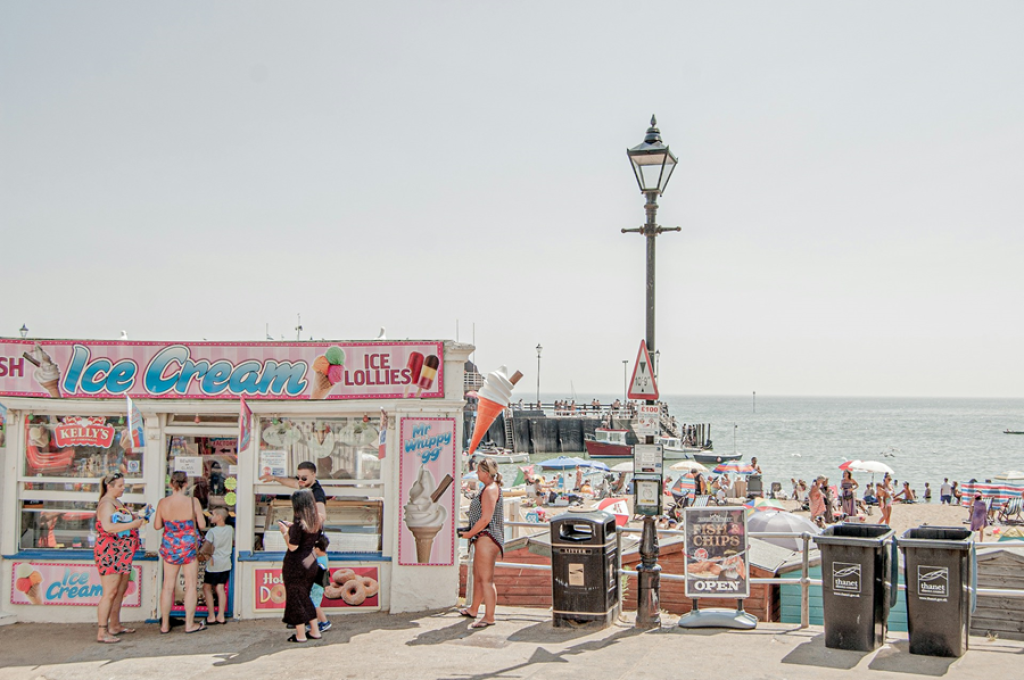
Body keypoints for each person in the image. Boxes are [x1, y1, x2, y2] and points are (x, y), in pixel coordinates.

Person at [94, 472, 147, 643]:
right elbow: (108, 527)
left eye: (124, 485)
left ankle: (115, 625)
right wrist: (133, 524)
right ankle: (102, 631)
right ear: (109, 486)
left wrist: (139, 517)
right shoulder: (106, 504)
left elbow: (122, 521)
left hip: (122, 552)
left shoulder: (116, 502)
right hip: (110, 552)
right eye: (120, 485)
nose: (123, 488)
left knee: (120, 590)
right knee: (109, 592)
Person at [155, 471, 207, 634]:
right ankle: (189, 624)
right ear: (186, 484)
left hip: (170, 545)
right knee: (191, 585)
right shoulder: (193, 502)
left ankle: (164, 624)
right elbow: (202, 525)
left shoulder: (163, 502)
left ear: (171, 484)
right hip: (189, 546)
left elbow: (157, 526)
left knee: (167, 586)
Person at [458, 457, 504, 629]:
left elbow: (486, 518)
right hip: (483, 537)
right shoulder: (489, 488)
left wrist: (469, 533)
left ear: (485, 473)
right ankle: (474, 609)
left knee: (486, 579)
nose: (476, 473)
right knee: (479, 577)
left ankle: (489, 616)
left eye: (478, 471)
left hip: (487, 537)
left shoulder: (491, 489)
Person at [279, 489, 323, 642]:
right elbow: (312, 538)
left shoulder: (299, 522)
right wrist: (292, 528)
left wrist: (285, 532)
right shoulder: (317, 520)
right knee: (305, 596)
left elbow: (293, 546)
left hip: (295, 564)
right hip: (311, 562)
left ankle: (301, 634)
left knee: (295, 598)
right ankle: (315, 631)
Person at [261, 461, 327, 523]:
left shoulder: (317, 493)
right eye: (298, 477)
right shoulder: (305, 485)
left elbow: (321, 516)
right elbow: (292, 483)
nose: (300, 480)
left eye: (304, 478)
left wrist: (306, 523)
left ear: (313, 475)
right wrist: (274, 478)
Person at [201, 507, 233, 625]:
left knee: (207, 587)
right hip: (225, 563)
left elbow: (206, 549)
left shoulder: (212, 532)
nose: (210, 517)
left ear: (219, 517)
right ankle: (221, 615)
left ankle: (211, 615)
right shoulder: (230, 529)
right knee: (220, 588)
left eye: (213, 515)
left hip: (213, 563)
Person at [310, 534, 331, 633]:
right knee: (314, 604)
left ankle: (325, 622)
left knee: (315, 605)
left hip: (316, 586)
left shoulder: (319, 562)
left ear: (318, 549)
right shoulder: (324, 558)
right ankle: (316, 622)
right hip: (318, 586)